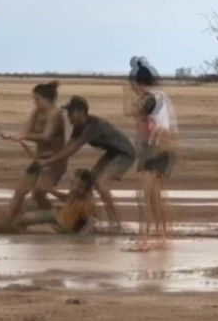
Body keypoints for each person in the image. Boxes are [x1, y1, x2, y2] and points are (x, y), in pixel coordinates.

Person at [37, 96, 135, 232]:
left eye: (71, 113)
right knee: (90, 180)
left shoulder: (92, 126)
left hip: (125, 153)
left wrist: (47, 162)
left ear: (81, 113)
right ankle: (88, 219)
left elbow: (72, 150)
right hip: (112, 152)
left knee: (102, 185)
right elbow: (67, 148)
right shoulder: (78, 127)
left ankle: (118, 224)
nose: (69, 117)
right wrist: (51, 163)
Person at [129, 57, 178, 250]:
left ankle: (144, 240)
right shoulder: (162, 97)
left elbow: (138, 117)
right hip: (162, 150)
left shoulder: (150, 99)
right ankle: (164, 234)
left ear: (137, 83)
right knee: (155, 196)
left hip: (155, 150)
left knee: (144, 195)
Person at [0, 81, 66, 222]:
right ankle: (6, 223)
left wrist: (23, 136)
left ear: (47, 99)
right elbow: (25, 130)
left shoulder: (54, 114)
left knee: (39, 193)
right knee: (20, 191)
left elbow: (46, 136)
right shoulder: (37, 112)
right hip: (39, 160)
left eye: (37, 99)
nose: (35, 103)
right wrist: (12, 135)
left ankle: (59, 218)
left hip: (54, 161)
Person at [16, 169, 96, 235]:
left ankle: (17, 231)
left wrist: (79, 238)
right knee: (25, 218)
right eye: (73, 184)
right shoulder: (76, 192)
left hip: (61, 229)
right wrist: (51, 190)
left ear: (87, 188)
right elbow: (66, 198)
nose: (74, 188)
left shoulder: (88, 203)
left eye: (79, 186)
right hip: (56, 214)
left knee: (30, 229)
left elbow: (90, 223)